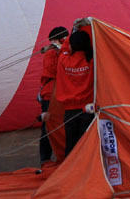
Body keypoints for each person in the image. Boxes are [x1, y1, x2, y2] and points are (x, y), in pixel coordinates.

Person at [52, 21, 94, 156]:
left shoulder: (63, 60)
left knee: (71, 145)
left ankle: (70, 172)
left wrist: (74, 31)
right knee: (87, 145)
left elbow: (64, 48)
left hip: (70, 111)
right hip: (88, 110)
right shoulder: (92, 61)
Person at [38, 25, 68, 167]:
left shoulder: (59, 51)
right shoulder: (52, 53)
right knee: (49, 126)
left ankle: (61, 154)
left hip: (58, 93)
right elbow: (55, 70)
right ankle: (45, 158)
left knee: (59, 125)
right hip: (50, 94)